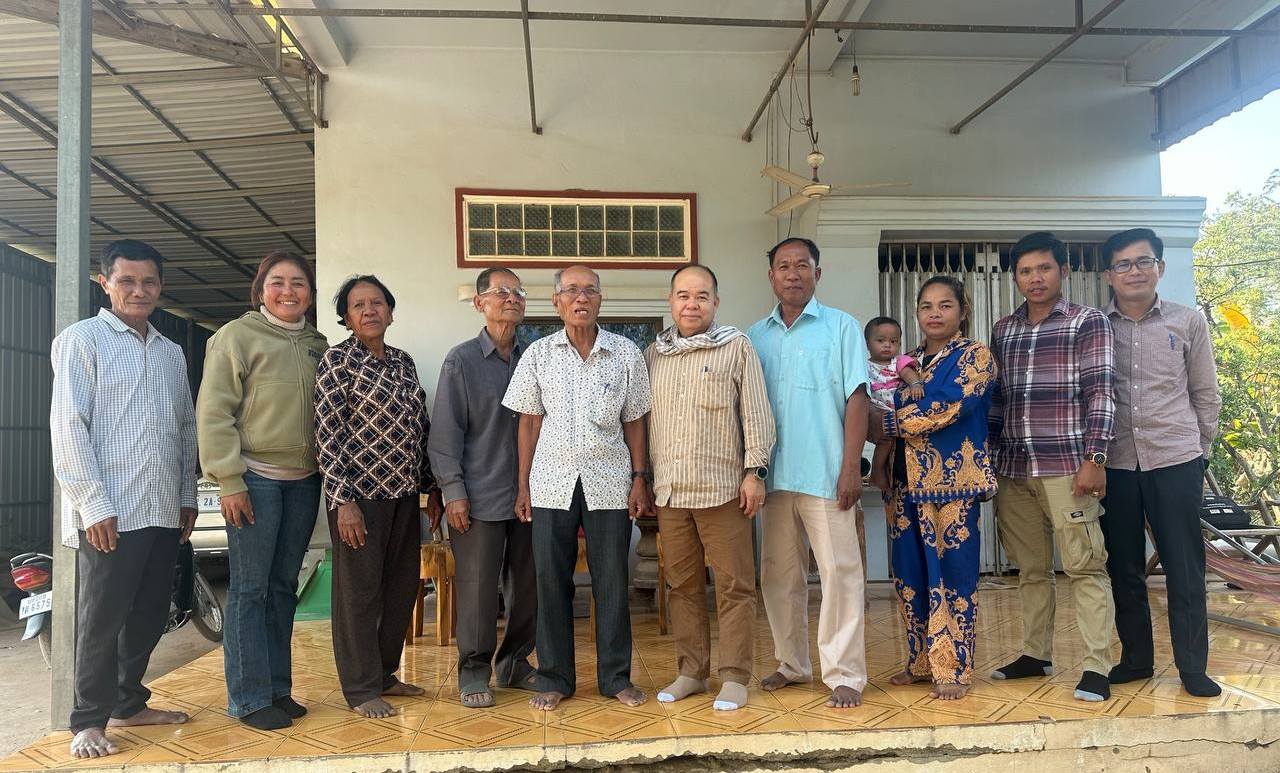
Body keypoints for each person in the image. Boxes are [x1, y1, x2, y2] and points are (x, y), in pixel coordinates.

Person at [50, 240, 197, 759]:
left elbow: (184, 427)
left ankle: (129, 702)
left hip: (161, 507)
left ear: (160, 287)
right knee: (102, 617)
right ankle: (88, 719)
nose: (139, 290)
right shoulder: (81, 341)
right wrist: (92, 504)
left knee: (152, 612)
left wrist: (186, 494)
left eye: (149, 281)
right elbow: (69, 428)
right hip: (110, 512)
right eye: (127, 281)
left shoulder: (170, 352)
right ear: (105, 283)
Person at [502, 264, 653, 711]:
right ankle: (555, 677)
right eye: (571, 290)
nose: (581, 298)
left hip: (610, 481)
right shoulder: (538, 354)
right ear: (556, 302)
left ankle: (615, 677)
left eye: (590, 290)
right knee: (551, 582)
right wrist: (523, 485)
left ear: (601, 300)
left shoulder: (626, 353)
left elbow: (635, 421)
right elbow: (529, 423)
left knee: (612, 581)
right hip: (551, 484)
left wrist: (639, 478)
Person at [197, 250, 330, 730]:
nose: (288, 291)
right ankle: (249, 698)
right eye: (278, 282)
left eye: (298, 283)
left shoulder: (317, 343)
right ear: (260, 290)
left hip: (303, 482)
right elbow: (214, 412)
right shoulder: (236, 337)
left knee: (282, 587)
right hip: (254, 479)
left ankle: (277, 689)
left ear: (310, 294)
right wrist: (228, 480)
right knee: (250, 589)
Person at [989, 231, 1117, 702]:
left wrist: (1095, 458)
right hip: (1014, 468)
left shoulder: (1088, 321)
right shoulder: (1004, 330)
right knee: (1030, 569)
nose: (1035, 278)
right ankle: (1035, 654)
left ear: (1062, 270)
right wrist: (989, 460)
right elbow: (998, 400)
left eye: (1044, 268)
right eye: (1025, 271)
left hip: (1067, 466)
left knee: (1085, 566)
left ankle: (1097, 666)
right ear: (1015, 278)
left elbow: (1101, 392)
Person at [747, 237, 871, 709]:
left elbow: (857, 398)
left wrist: (850, 467)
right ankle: (792, 664)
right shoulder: (754, 336)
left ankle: (845, 673)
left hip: (826, 474)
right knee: (779, 576)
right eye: (783, 266)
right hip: (773, 477)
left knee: (840, 574)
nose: (793, 273)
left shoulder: (841, 327)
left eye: (802, 265)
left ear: (818, 274)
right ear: (771, 276)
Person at [1098, 228, 1222, 697]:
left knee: (1184, 566)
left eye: (1143, 261)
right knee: (1123, 565)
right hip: (1115, 462)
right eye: (1123, 264)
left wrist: (1198, 453)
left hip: (1175, 458)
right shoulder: (1095, 327)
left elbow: (1205, 393)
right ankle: (1137, 659)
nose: (1134, 271)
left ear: (1160, 268)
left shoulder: (1187, 322)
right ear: (1109, 275)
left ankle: (1192, 667)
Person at [645, 265, 775, 711]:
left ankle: (735, 676)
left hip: (724, 490)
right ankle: (691, 672)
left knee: (735, 586)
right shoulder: (654, 354)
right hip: (671, 492)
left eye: (702, 296)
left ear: (716, 302)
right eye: (683, 295)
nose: (692, 304)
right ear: (670, 301)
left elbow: (756, 413)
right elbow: (644, 421)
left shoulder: (736, 347)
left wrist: (755, 471)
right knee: (681, 585)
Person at [314, 275, 443, 718]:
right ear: (346, 317)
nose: (369, 311)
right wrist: (342, 501)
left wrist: (432, 488)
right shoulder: (337, 362)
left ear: (390, 311)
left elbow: (419, 428)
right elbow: (328, 434)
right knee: (359, 594)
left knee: (402, 588)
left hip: (404, 495)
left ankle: (386, 673)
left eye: (377, 303)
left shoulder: (403, 362)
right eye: (358, 305)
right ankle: (361, 688)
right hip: (359, 500)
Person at [873, 276, 996, 700]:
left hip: (951, 486)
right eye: (926, 306)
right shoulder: (905, 361)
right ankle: (921, 662)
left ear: (962, 311)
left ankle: (954, 668)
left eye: (945, 305)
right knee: (910, 576)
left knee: (954, 576)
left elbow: (947, 405)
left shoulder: (975, 356)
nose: (935, 313)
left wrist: (889, 422)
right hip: (904, 487)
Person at [428, 267, 539, 709]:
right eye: (501, 292)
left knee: (527, 586)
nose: (512, 298)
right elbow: (444, 435)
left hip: (532, 496)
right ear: (479, 303)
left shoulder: (536, 357)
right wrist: (453, 492)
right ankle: (474, 671)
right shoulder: (461, 361)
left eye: (518, 292)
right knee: (477, 589)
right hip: (477, 497)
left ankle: (515, 663)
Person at [866, 316, 924, 493]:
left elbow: (908, 374)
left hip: (893, 413)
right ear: (867, 343)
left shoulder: (898, 361)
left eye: (893, 341)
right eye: (880, 341)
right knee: (881, 440)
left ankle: (878, 471)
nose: (887, 345)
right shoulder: (863, 365)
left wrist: (915, 384)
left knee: (887, 441)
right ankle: (875, 471)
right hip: (873, 411)